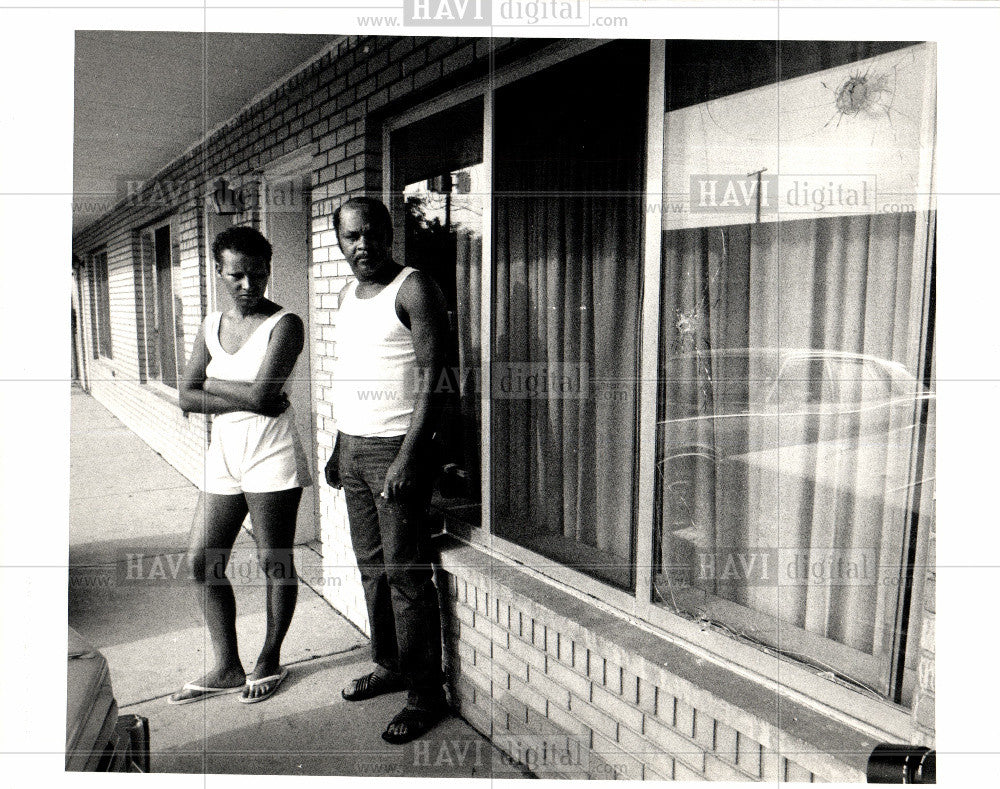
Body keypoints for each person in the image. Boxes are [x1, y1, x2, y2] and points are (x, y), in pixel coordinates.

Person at [324, 196, 450, 744]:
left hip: (396, 449)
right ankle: (390, 663)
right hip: (354, 446)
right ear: (340, 240)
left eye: (372, 233)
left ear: (388, 233)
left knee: (405, 574)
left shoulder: (414, 288)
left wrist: (408, 455)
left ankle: (426, 694)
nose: (363, 245)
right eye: (352, 236)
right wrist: (338, 444)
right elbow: (353, 372)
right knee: (372, 568)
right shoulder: (348, 293)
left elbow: (434, 380)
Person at [169, 226, 311, 705]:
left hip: (271, 456)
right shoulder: (211, 325)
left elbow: (261, 395)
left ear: (269, 270)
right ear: (219, 273)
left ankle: (269, 658)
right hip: (224, 457)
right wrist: (242, 393)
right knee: (200, 561)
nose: (249, 285)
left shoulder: (285, 324)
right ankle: (227, 665)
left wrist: (211, 382)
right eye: (237, 275)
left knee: (275, 561)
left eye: (257, 274)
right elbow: (185, 394)